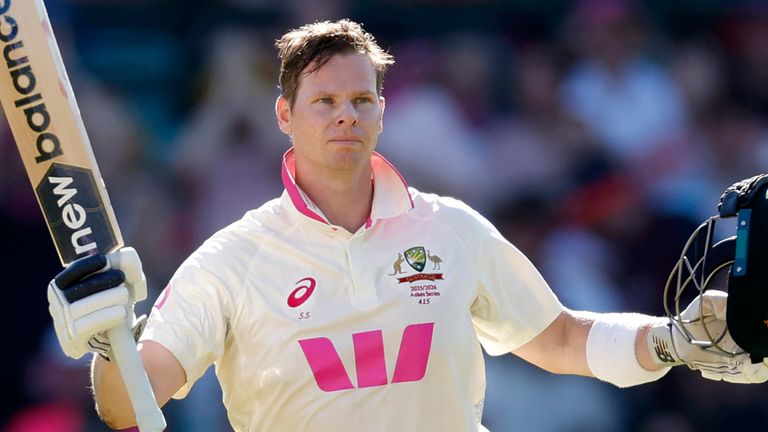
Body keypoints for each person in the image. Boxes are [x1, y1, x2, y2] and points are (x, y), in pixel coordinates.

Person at [45, 20, 768, 432]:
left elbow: (558, 338)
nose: (345, 116)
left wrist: (673, 342)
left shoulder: (451, 230)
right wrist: (109, 339)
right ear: (284, 116)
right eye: (324, 100)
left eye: (362, 100)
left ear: (383, 113)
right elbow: (131, 402)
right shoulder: (233, 258)